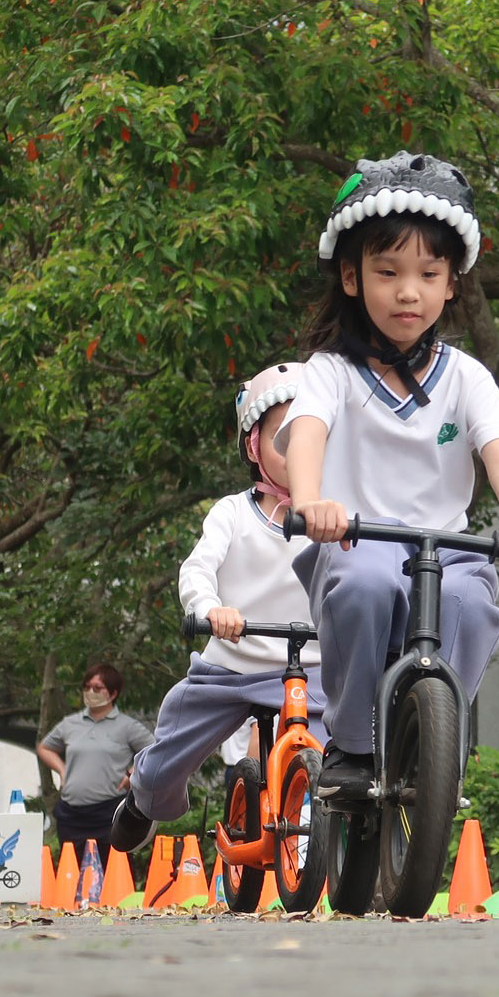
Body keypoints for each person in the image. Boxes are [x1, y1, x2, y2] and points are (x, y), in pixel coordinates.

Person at [280, 152, 499, 795]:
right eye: (388, 272)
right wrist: (312, 499)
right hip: (354, 542)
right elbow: (308, 434)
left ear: (451, 283)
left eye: (429, 273)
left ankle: (435, 743)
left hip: (445, 553)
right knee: (366, 586)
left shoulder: (466, 377)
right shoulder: (332, 371)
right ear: (351, 278)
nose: (410, 291)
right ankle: (350, 744)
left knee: (471, 601)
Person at [110, 363, 326, 851]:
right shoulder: (232, 512)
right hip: (231, 665)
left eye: (311, 436)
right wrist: (210, 608)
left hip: (310, 668)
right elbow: (198, 568)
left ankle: (341, 840)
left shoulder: (333, 515)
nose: (299, 453)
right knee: (169, 757)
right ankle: (144, 797)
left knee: (348, 758)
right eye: (283, 440)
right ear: (253, 446)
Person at [38, 663, 152, 848]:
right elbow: (45, 747)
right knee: (72, 872)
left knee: (112, 872)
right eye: (87, 687)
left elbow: (154, 750)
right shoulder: (70, 724)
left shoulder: (127, 726)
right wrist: (62, 770)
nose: (91, 692)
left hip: (109, 812)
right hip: (70, 813)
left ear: (113, 693)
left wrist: (133, 773)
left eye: (98, 688)